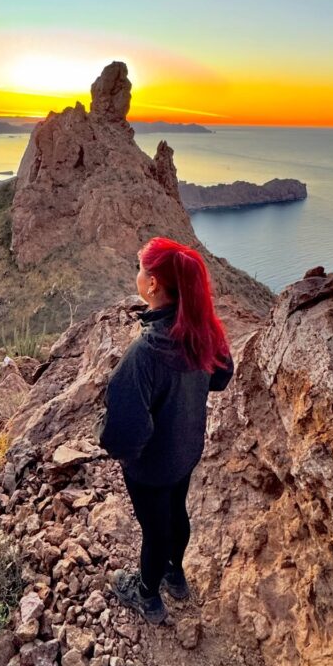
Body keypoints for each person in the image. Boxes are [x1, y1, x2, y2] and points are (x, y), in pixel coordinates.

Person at [98, 236, 235, 624]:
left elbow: (123, 434)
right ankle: (176, 576)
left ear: (154, 283)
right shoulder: (203, 331)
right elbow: (222, 377)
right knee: (177, 512)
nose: (137, 275)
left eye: (141, 268)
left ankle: (148, 596)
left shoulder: (144, 355)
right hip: (187, 448)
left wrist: (108, 436)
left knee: (155, 530)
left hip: (152, 467)